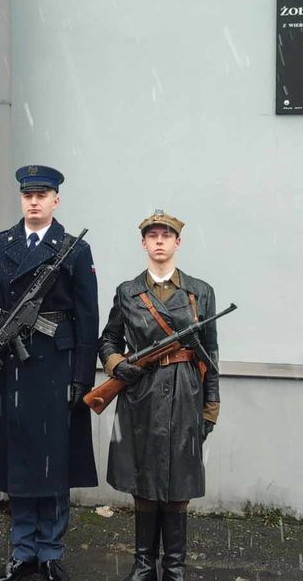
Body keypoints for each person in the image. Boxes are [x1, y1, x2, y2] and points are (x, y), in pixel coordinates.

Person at [0, 165, 99, 581]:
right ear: (21, 199)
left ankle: (51, 551)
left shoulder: (73, 249)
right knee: (19, 461)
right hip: (11, 367)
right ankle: (22, 550)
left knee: (54, 462)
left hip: (57, 364)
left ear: (56, 200)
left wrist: (81, 376)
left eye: (42, 194)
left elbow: (87, 317)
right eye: (28, 195)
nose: (34, 202)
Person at [97, 211, 220, 581]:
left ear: (177, 243)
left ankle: (175, 568)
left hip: (186, 392)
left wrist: (211, 406)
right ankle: (143, 565)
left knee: (178, 481)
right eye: (153, 235)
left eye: (166, 235)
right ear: (144, 244)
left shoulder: (201, 292)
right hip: (142, 394)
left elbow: (211, 353)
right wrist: (118, 365)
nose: (160, 241)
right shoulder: (128, 292)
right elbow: (108, 340)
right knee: (144, 481)